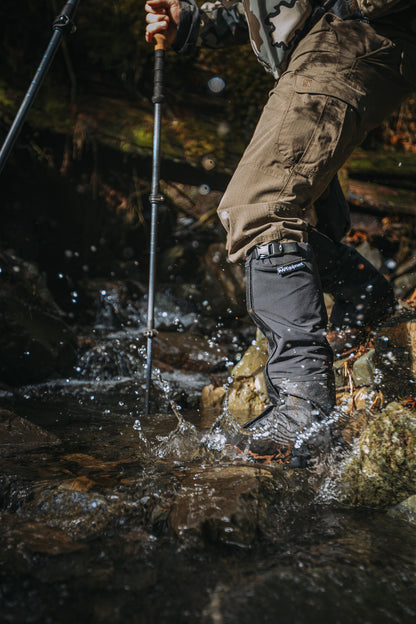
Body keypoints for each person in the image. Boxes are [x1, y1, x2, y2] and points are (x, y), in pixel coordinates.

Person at [145, 0, 416, 466]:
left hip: (356, 33)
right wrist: (189, 20)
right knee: (299, 213)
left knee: (259, 205)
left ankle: (302, 411)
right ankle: (364, 300)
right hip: (329, 42)